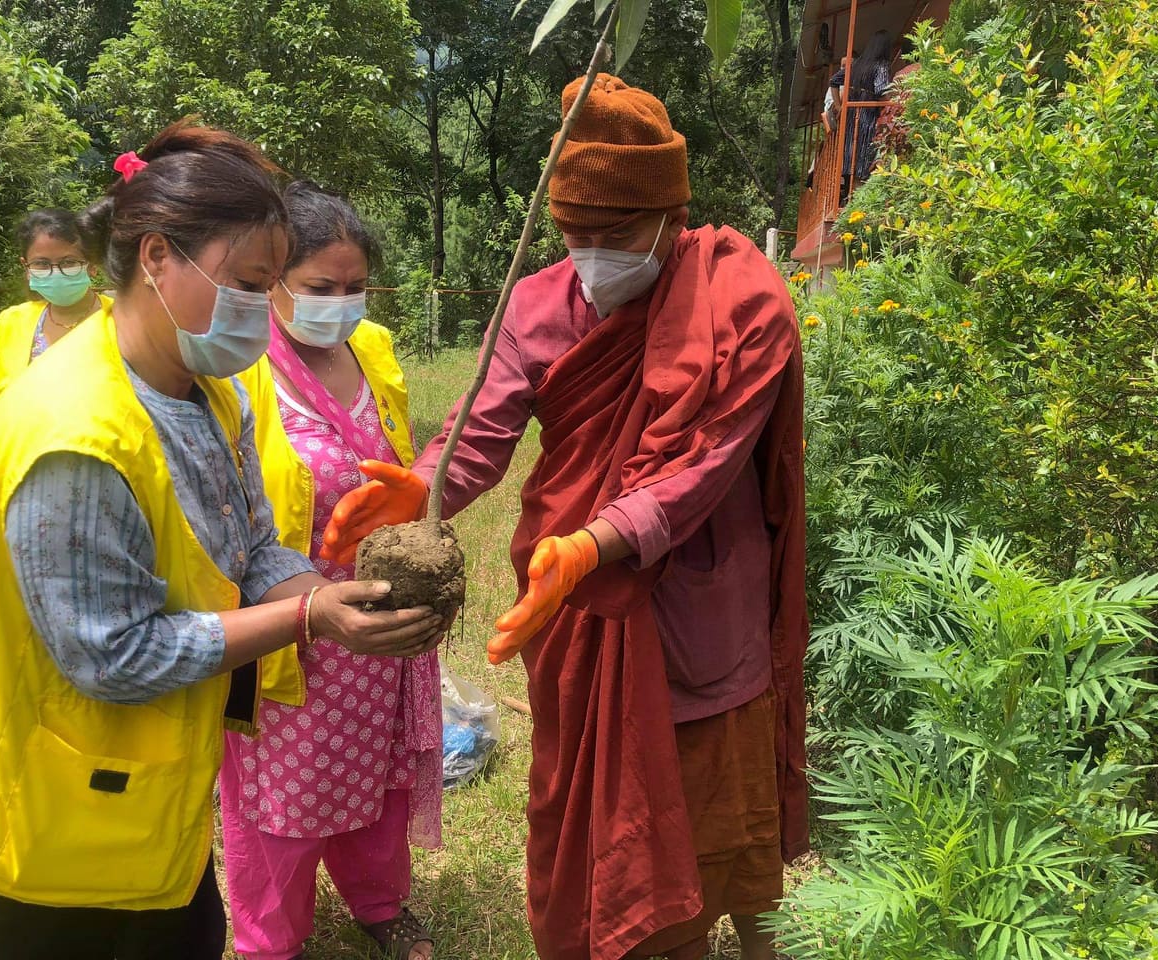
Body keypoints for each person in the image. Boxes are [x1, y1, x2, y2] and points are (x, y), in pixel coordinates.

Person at [0, 120, 445, 960]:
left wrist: (324, 592)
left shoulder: (206, 385)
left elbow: (253, 541)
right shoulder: (75, 438)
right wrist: (313, 621)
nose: (257, 308)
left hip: (130, 797)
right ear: (157, 257)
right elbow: (115, 657)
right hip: (29, 821)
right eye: (248, 282)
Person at [325, 75, 810, 960]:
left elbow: (706, 465)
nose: (591, 255)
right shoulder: (537, 303)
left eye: (614, 235)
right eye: (572, 234)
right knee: (602, 810)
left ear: (670, 213)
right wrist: (426, 483)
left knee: (723, 825)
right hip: (574, 608)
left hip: (703, 605)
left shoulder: (741, 299)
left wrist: (599, 541)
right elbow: (483, 431)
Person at [223, 181, 441, 960]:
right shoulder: (241, 367)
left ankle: (379, 904)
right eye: (321, 288)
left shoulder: (372, 348)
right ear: (274, 280)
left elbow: (403, 462)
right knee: (284, 796)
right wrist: (313, 600)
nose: (341, 305)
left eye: (355, 288)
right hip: (291, 623)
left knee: (377, 780)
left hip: (380, 618)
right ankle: (268, 940)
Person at [0, 208, 113, 396]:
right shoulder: (12, 321)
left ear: (92, 265)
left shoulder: (122, 321)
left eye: (68, 262)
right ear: (26, 267)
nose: (55, 273)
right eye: (42, 264)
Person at [827, 29, 894, 185]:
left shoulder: (857, 65)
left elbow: (833, 81)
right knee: (865, 153)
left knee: (853, 154)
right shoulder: (881, 66)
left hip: (852, 115)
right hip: (868, 114)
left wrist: (839, 106)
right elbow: (881, 89)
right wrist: (892, 103)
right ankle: (858, 191)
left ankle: (853, 192)